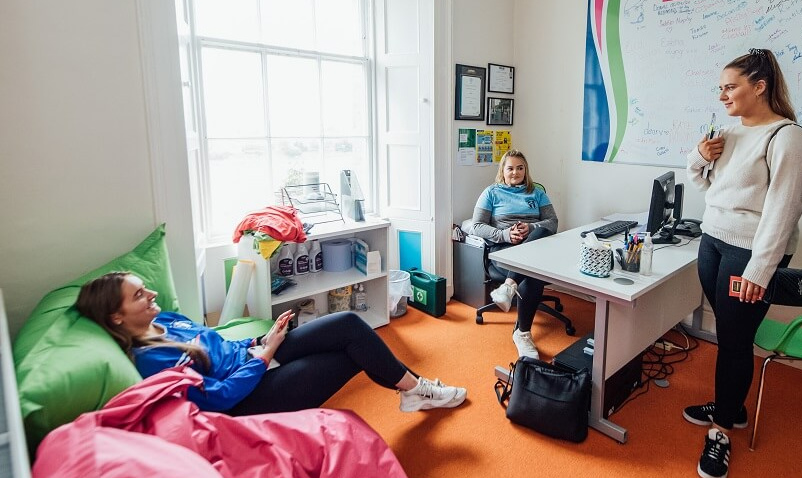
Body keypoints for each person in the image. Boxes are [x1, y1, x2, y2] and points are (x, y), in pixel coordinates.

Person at [685, 48, 802, 478]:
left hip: (748, 252)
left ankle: (721, 430)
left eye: (731, 86)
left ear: (759, 86)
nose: (723, 95)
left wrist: (759, 272)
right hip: (713, 240)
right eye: (720, 88)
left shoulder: (788, 137)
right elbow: (702, 180)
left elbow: (784, 212)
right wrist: (703, 155)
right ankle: (732, 406)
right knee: (729, 333)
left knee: (736, 341)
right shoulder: (729, 132)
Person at [76, 271, 467, 415]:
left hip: (253, 355)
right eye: (138, 295)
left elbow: (218, 343)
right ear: (116, 317)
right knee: (350, 355)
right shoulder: (151, 361)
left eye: (144, 288)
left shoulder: (166, 320)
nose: (151, 295)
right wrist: (264, 356)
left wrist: (263, 338)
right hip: (248, 396)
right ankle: (417, 390)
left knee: (349, 323)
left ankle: (414, 390)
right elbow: (219, 398)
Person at [468, 149, 558, 359]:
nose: (515, 173)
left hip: (532, 249)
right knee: (533, 274)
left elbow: (553, 223)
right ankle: (523, 333)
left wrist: (531, 227)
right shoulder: (491, 192)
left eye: (520, 168)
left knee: (541, 236)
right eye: (510, 168)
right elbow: (476, 226)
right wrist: (505, 234)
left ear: (526, 171)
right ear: (503, 170)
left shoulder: (536, 192)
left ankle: (509, 288)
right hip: (503, 251)